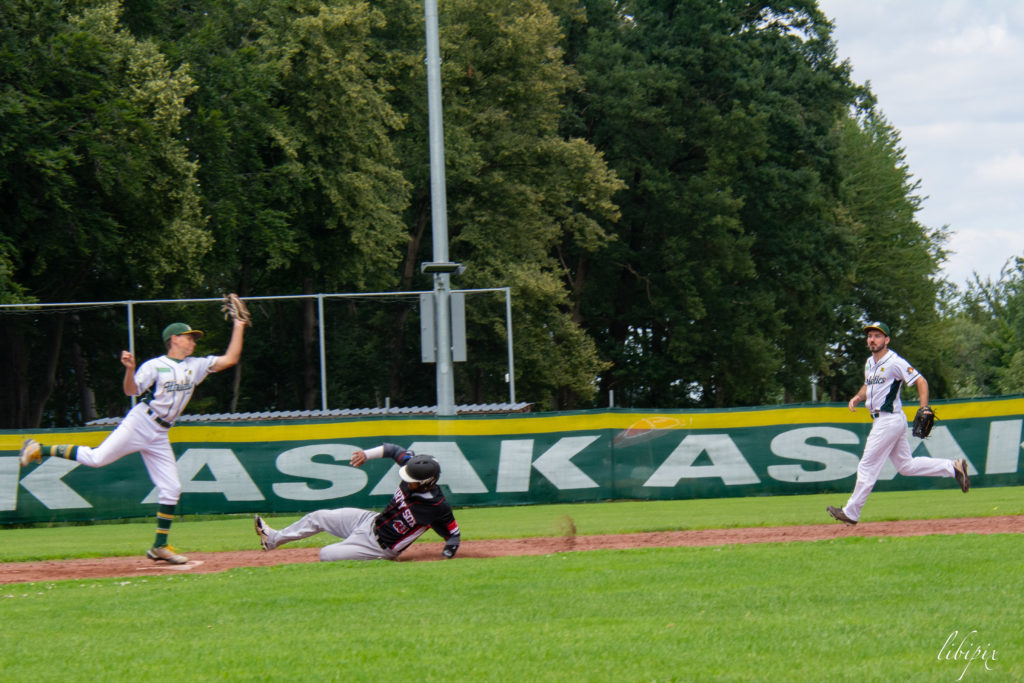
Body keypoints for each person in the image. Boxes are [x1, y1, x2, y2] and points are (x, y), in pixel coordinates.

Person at [18, 312, 248, 563]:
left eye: (194, 338)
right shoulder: (155, 365)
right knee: (97, 458)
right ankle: (38, 449)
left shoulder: (196, 366)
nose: (193, 341)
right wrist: (129, 369)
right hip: (141, 422)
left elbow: (231, 359)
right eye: (188, 337)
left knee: (172, 488)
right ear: (174, 339)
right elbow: (132, 390)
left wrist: (239, 325)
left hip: (160, 433)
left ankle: (160, 546)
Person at [827, 321, 969, 525]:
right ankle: (953, 467)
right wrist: (858, 398)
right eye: (870, 336)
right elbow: (868, 384)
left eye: (877, 336)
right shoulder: (869, 362)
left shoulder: (894, 361)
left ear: (887, 340)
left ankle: (851, 512)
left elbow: (921, 380)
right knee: (906, 465)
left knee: (867, 465)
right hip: (885, 421)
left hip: (889, 420)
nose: (872, 339)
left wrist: (924, 408)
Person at [254, 444, 461, 562]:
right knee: (319, 517)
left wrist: (443, 559)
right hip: (369, 521)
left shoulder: (437, 507)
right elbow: (392, 450)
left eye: (411, 480)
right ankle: (272, 539)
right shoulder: (414, 467)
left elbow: (453, 536)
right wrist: (366, 455)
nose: (406, 480)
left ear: (426, 483)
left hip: (378, 547)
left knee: (326, 555)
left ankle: (371, 558)